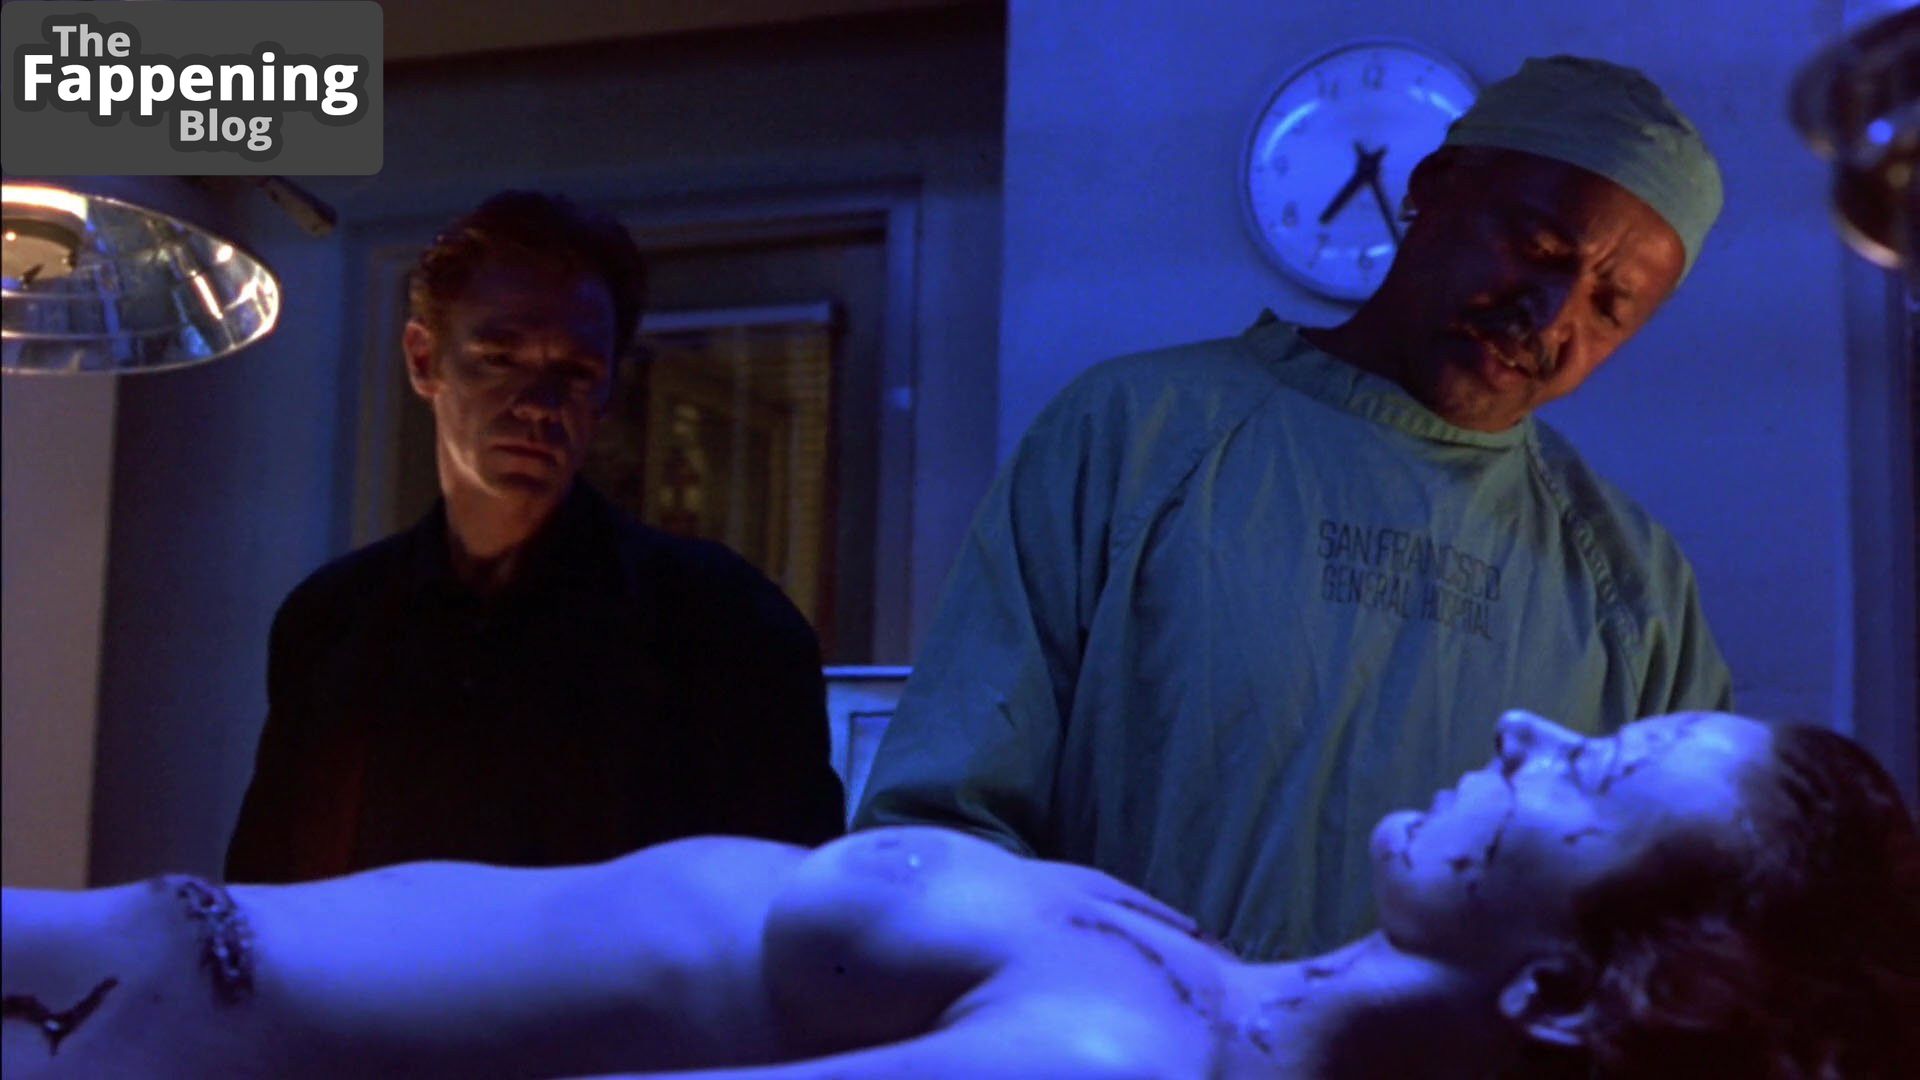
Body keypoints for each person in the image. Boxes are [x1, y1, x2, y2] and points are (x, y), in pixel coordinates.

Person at [855, 55, 1737, 960]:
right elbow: (942, 835)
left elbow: (1687, 937)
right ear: (1431, 187)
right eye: (1540, 250)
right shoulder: (1138, 436)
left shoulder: (1634, 589)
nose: (1549, 320)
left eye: (1609, 308)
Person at [5, 712, 1915, 1078]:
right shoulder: (1188, 971)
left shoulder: (1105, 1063)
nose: (1526, 729)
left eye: (1595, 777)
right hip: (107, 974)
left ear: (1572, 995)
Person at [225, 192, 845, 883]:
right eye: (499, 358)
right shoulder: (333, 622)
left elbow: (784, 902)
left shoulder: (723, 622)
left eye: (574, 373)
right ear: (424, 360)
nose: (538, 405)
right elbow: (267, 898)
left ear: (607, 389)